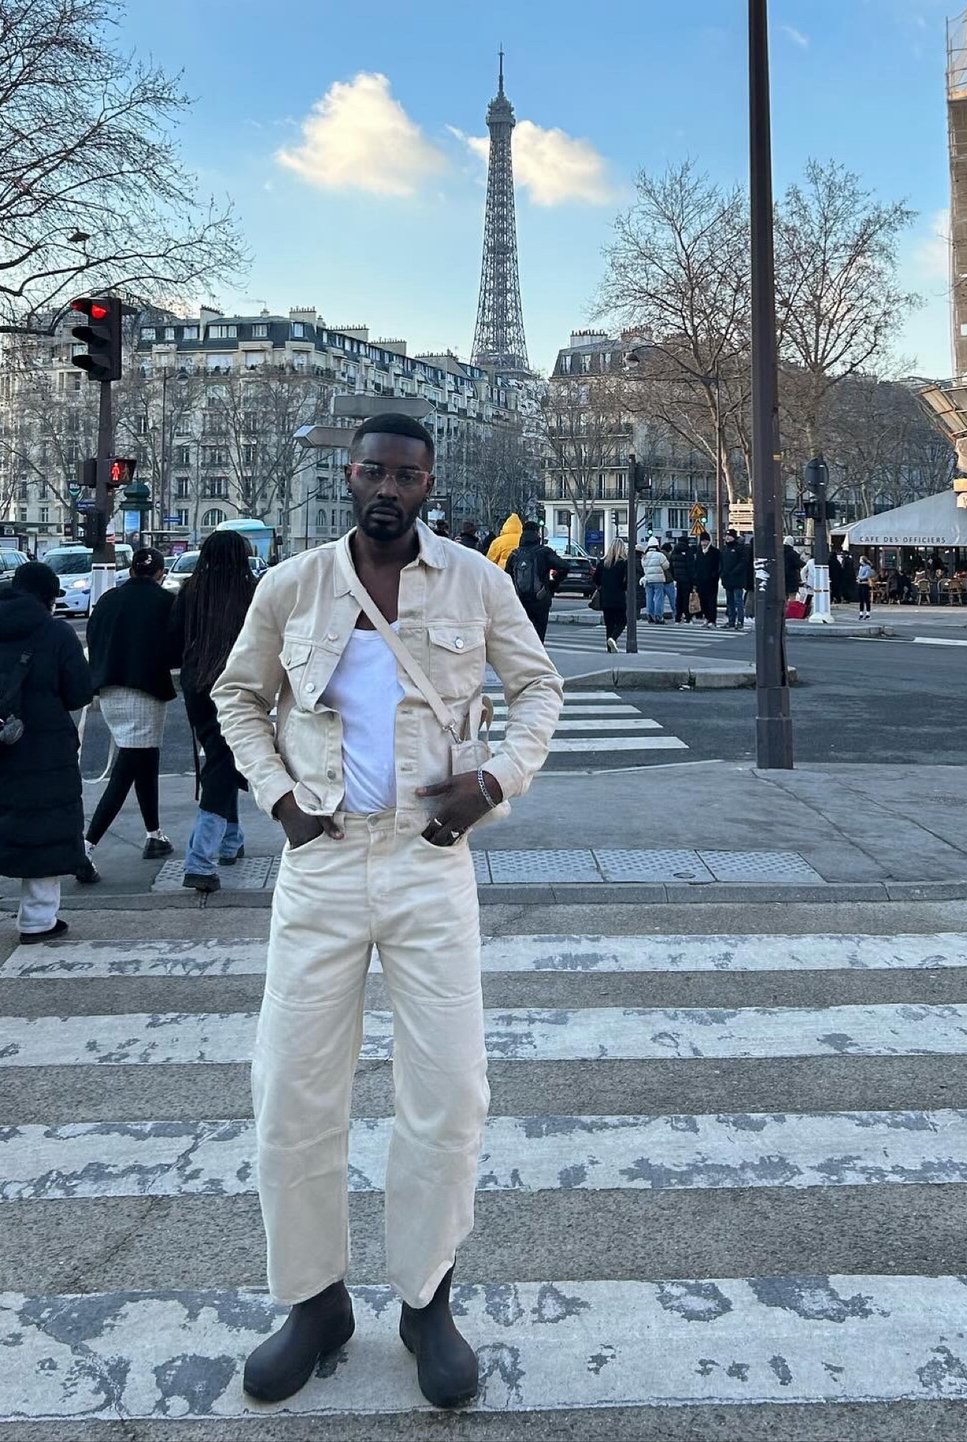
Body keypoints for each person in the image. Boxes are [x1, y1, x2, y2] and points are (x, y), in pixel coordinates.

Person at [212, 413, 562, 1409]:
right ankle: (314, 1299)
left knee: (448, 1089)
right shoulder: (293, 584)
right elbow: (238, 696)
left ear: (427, 482)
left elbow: (539, 692)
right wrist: (278, 796)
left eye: (404, 473)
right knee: (292, 1085)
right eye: (372, 469)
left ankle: (425, 1296)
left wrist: (493, 782)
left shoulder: (477, 580)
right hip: (321, 861)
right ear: (350, 474)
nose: (386, 486)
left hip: (426, 858)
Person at [0, 562, 93, 942]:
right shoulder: (57, 634)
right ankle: (37, 919)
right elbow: (78, 693)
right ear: (50, 598)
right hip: (42, 749)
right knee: (42, 827)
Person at [168, 532, 257, 894]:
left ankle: (230, 840)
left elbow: (173, 639)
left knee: (222, 758)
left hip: (196, 684)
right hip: (236, 683)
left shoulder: (191, 590)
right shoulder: (250, 591)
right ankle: (200, 859)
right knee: (224, 761)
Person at [80, 547, 176, 881]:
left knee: (143, 761)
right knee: (128, 768)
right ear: (160, 573)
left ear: (132, 570)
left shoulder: (108, 600)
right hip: (145, 690)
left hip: (109, 689)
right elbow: (174, 649)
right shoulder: (165, 602)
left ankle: (154, 833)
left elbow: (94, 637)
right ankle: (86, 846)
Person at [504, 520, 569, 643]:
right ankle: (537, 657)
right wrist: (552, 585)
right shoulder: (543, 552)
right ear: (537, 534)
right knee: (539, 634)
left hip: (520, 600)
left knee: (522, 634)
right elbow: (564, 566)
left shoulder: (514, 554)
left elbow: (506, 577)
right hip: (540, 598)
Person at [593, 537, 629, 652]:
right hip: (618, 596)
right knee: (622, 622)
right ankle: (613, 638)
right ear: (622, 549)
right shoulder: (624, 563)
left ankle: (610, 648)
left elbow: (595, 579)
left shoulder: (603, 563)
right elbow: (626, 581)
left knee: (609, 624)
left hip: (605, 597)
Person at [720, 529, 751, 630]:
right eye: (726, 536)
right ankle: (731, 621)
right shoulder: (725, 549)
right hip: (727, 579)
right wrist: (722, 572)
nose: (727, 538)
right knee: (730, 602)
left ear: (734, 537)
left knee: (738, 601)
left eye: (729, 536)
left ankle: (740, 621)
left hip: (737, 579)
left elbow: (743, 562)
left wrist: (734, 571)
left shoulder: (739, 548)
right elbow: (722, 563)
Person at [693, 531, 721, 627]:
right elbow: (696, 566)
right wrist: (696, 578)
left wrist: (715, 575)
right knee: (703, 601)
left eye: (705, 541)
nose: (703, 543)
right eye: (702, 541)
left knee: (712, 601)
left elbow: (718, 566)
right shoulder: (698, 551)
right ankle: (706, 618)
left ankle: (712, 620)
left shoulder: (715, 552)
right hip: (701, 581)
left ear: (709, 541)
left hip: (711, 581)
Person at [641, 537, 672, 623]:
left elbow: (643, 566)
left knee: (649, 598)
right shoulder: (660, 555)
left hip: (647, 580)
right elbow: (666, 566)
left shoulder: (644, 556)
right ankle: (658, 616)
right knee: (658, 598)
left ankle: (650, 615)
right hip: (658, 580)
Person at [671, 534, 696, 622]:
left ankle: (678, 616)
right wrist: (693, 580)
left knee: (679, 598)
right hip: (687, 579)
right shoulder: (688, 551)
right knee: (686, 598)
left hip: (678, 579)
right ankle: (687, 616)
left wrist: (674, 576)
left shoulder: (674, 551)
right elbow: (691, 567)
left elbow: (671, 565)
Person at [857, 552, 875, 620]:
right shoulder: (860, 567)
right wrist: (858, 577)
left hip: (865, 584)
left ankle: (868, 613)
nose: (859, 560)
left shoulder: (868, 567)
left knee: (866, 599)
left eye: (860, 559)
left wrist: (860, 578)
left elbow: (867, 575)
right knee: (861, 599)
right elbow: (859, 574)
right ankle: (861, 613)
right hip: (860, 584)